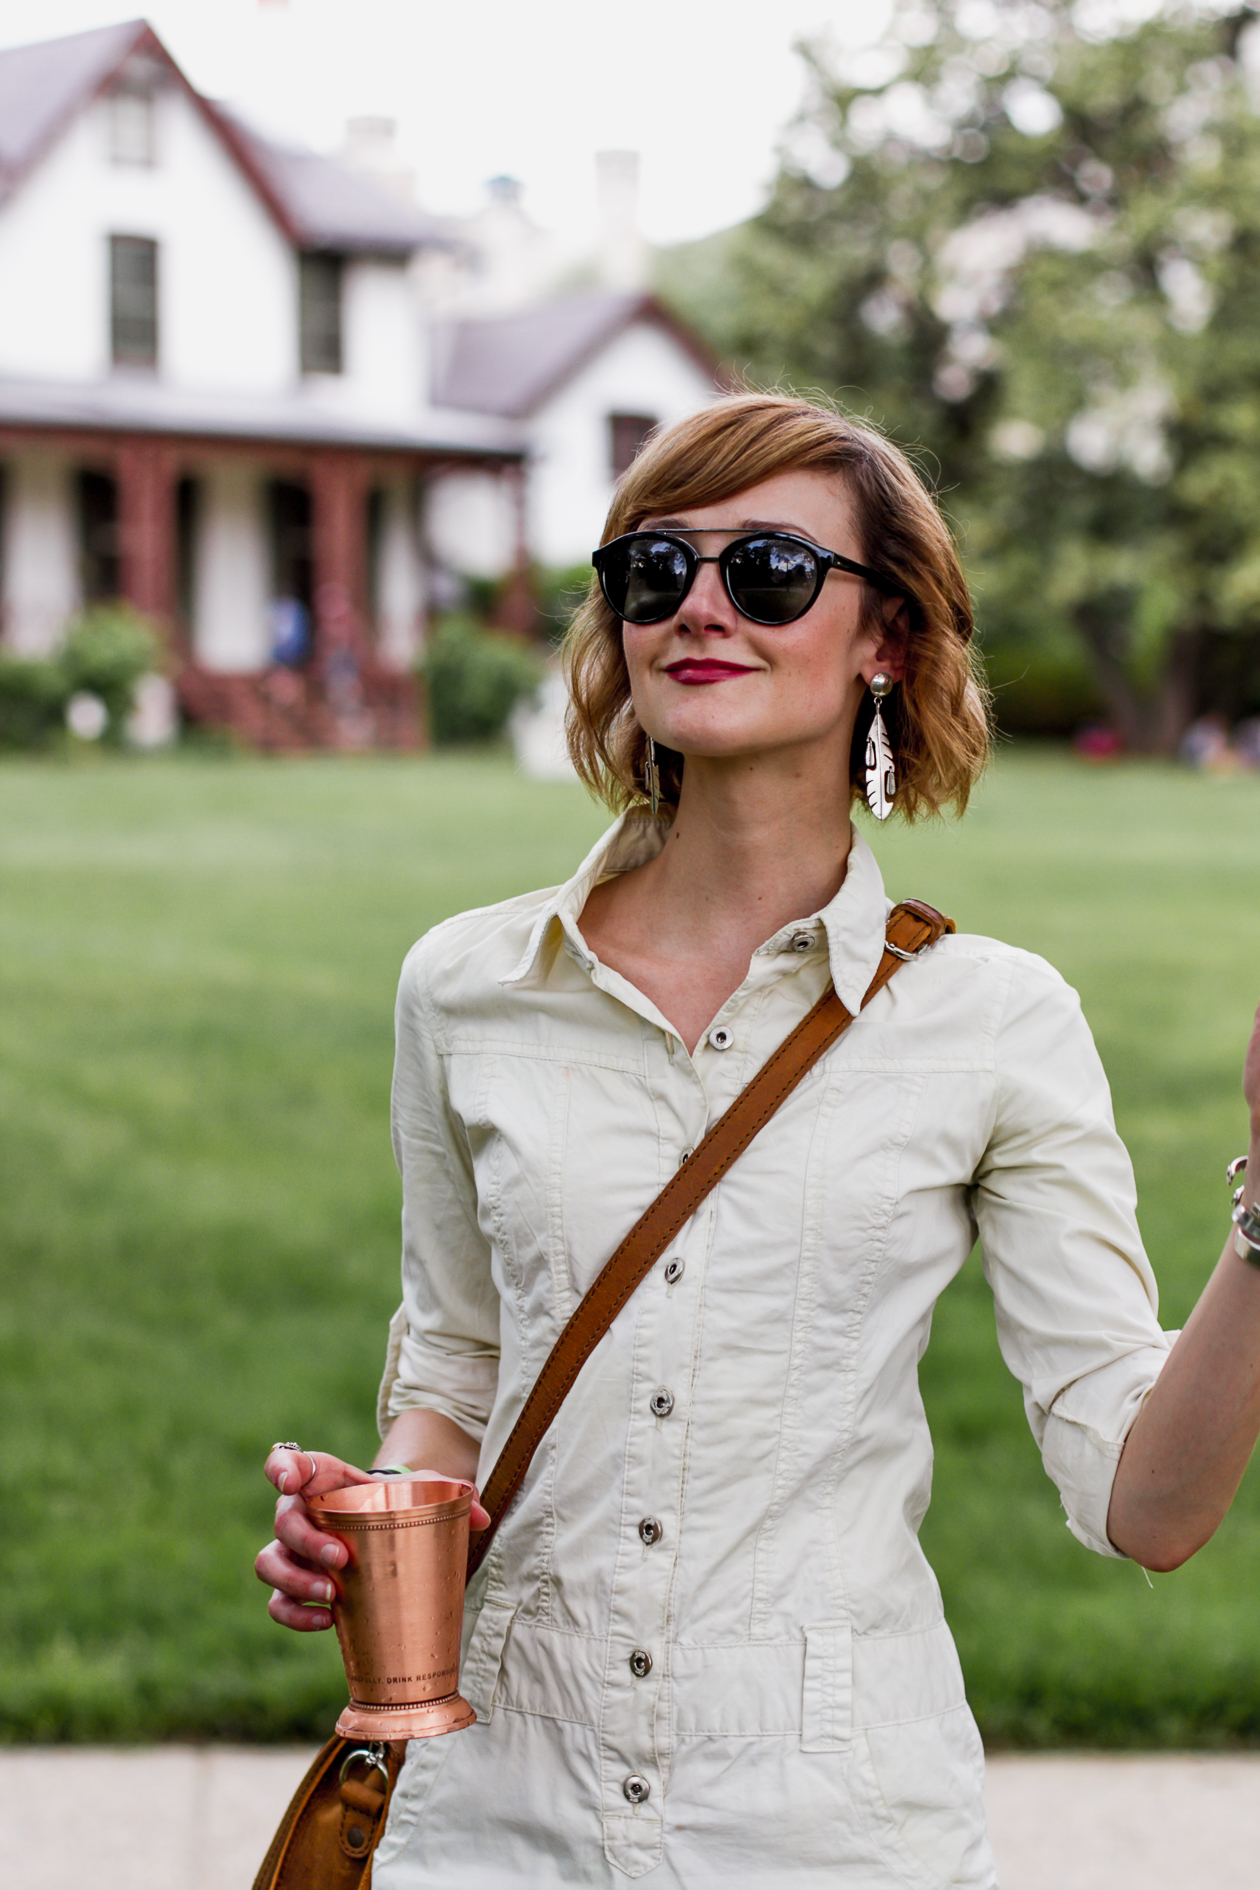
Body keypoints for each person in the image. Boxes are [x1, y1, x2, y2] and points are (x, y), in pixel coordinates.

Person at [256, 394, 1260, 1889]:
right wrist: (377, 1517)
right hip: (496, 1826)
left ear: (887, 639)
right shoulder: (467, 986)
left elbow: (1149, 1504)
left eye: (772, 570)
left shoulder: (996, 1020)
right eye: (656, 571)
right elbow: (457, 1366)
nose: (701, 608)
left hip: (836, 1833)